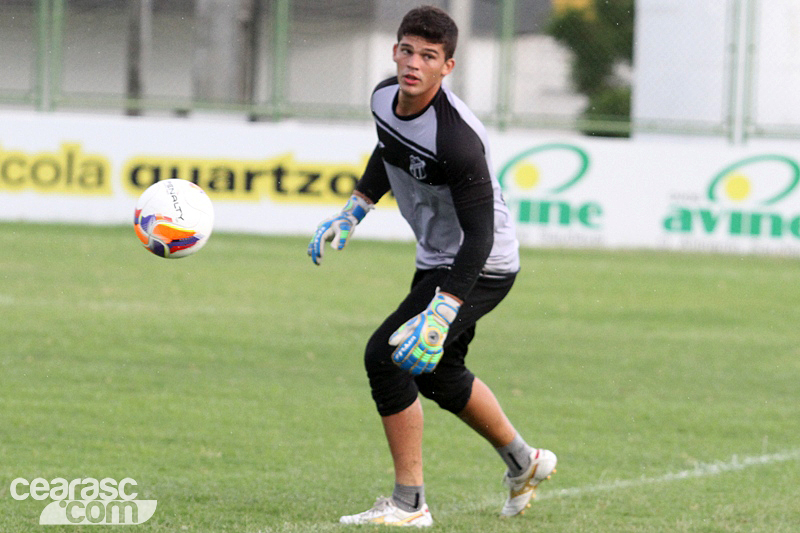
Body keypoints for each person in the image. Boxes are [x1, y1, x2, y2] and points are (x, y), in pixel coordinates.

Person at [308, 5, 556, 527]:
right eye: (406, 50)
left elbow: (481, 236)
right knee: (438, 373)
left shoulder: (457, 140)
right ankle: (523, 461)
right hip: (439, 258)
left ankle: (409, 504)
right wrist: (355, 209)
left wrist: (442, 312)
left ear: (448, 67)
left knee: (388, 356)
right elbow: (389, 149)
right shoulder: (382, 97)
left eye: (428, 56)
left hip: (481, 263)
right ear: (394, 50)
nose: (413, 63)